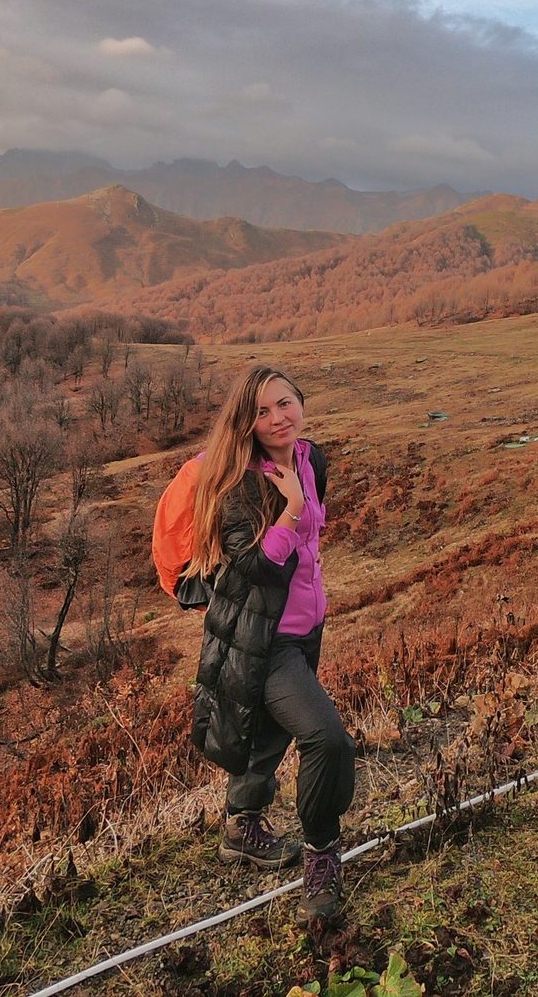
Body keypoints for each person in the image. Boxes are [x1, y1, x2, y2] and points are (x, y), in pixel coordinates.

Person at [187, 364, 356, 929]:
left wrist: (304, 513)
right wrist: (288, 511)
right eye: (262, 411)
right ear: (247, 423)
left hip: (309, 627)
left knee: (274, 727)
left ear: (300, 402)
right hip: (265, 638)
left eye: (285, 402)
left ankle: (240, 827)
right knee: (326, 738)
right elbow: (255, 564)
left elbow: (316, 533)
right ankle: (322, 857)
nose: (278, 417)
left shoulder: (313, 460)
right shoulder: (239, 488)